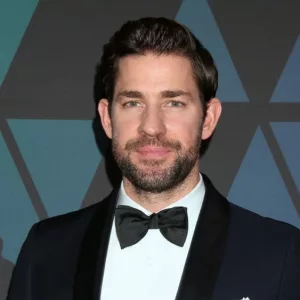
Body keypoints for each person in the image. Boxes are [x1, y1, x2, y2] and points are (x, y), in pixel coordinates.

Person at [7, 17, 300, 300]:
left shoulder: (280, 253)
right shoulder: (45, 251)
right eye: (133, 103)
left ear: (208, 118)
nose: (151, 126)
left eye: (174, 103)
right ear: (107, 119)